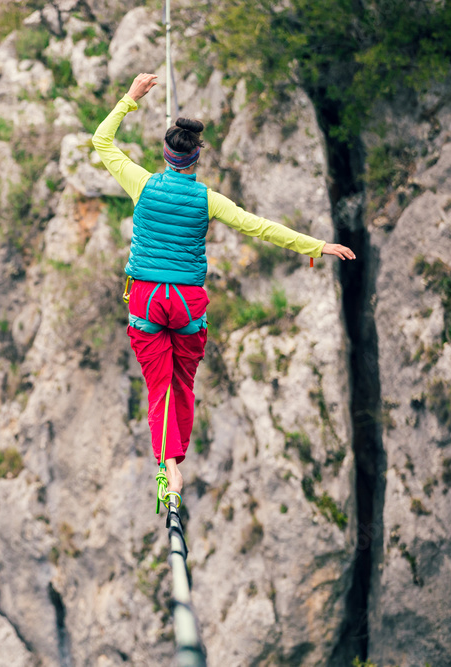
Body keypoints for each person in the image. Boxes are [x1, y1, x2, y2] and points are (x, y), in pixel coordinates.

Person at [92, 72, 356, 502]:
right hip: (185, 302)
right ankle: (175, 456)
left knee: (159, 384)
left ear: (165, 154)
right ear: (197, 158)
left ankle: (168, 465)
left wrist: (130, 98)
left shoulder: (140, 183)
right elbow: (261, 228)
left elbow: (102, 141)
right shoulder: (209, 200)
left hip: (146, 299)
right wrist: (317, 245)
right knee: (182, 383)